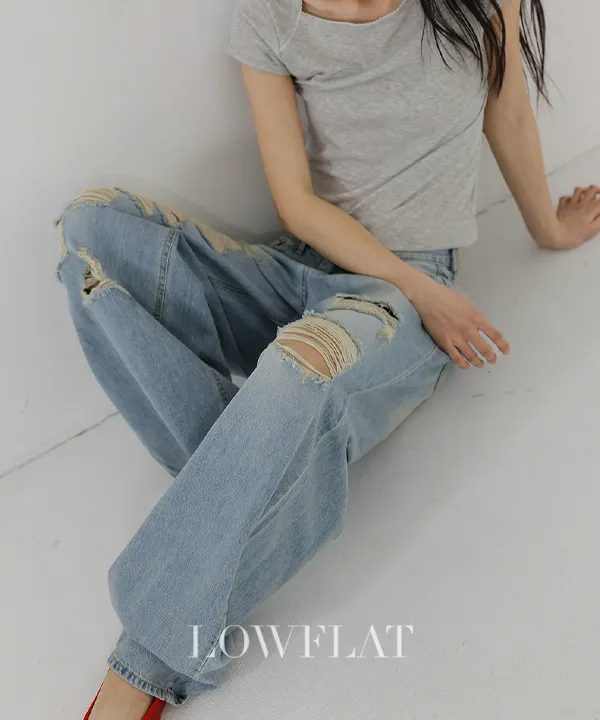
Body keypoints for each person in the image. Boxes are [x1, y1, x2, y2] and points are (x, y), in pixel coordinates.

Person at [58, 0, 600, 718]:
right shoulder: (271, 16)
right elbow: (296, 202)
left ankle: (148, 659)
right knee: (92, 227)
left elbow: (509, 115)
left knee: (301, 363)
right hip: (303, 265)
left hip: (402, 297)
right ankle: (245, 459)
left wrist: (550, 230)